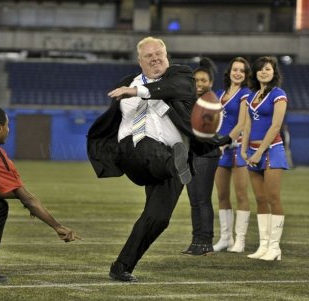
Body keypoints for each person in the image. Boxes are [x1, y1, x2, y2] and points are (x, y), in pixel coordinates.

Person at [87, 36, 196, 282]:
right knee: (148, 146)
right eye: (149, 55)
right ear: (139, 61)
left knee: (158, 218)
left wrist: (139, 92)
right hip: (134, 149)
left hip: (171, 154)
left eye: (159, 54)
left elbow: (175, 90)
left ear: (167, 56)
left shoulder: (181, 78)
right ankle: (177, 165)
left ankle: (121, 266)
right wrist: (132, 89)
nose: (155, 58)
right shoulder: (127, 82)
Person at [0, 106, 81, 283]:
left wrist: (20, 198)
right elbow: (28, 199)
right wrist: (57, 226)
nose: (9, 130)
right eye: (8, 125)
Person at [241, 56, 288, 261]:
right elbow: (248, 125)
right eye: (260, 69)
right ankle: (263, 245)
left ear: (273, 72)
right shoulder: (251, 96)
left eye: (267, 69)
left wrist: (260, 152)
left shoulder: (279, 94)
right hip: (252, 151)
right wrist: (244, 149)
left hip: (272, 151)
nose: (263, 72)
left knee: (272, 198)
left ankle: (275, 247)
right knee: (260, 199)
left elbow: (276, 126)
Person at [181, 58, 221, 256]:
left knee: (203, 199)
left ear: (211, 82)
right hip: (191, 154)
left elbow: (212, 132)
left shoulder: (212, 103)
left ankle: (206, 241)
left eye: (203, 80)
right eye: (196, 80)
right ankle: (196, 240)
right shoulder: (190, 101)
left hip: (207, 154)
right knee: (194, 199)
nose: (199, 84)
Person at [213, 57, 252, 253]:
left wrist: (225, 142)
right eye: (235, 69)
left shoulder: (246, 93)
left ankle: (240, 240)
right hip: (221, 148)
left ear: (245, 75)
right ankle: (225, 238)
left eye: (242, 71)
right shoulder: (219, 94)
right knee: (221, 195)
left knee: (241, 194)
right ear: (229, 71)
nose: (238, 73)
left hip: (237, 148)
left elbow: (242, 123)